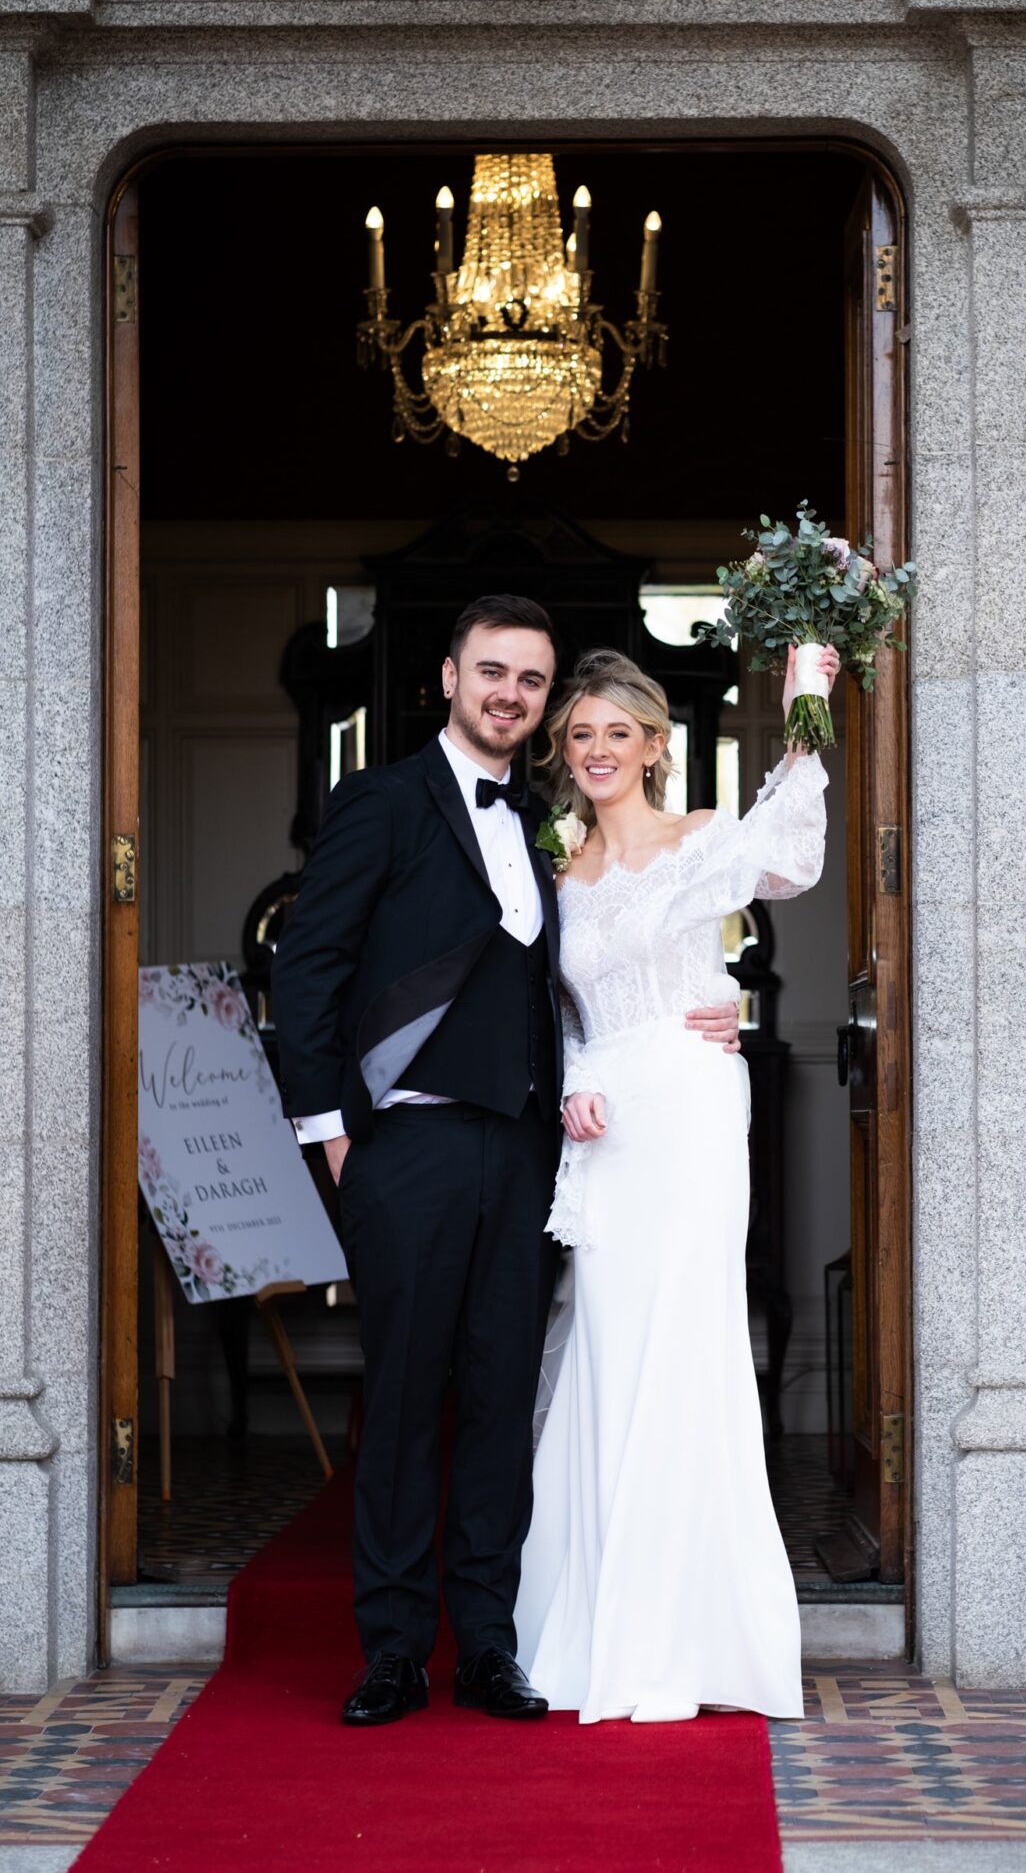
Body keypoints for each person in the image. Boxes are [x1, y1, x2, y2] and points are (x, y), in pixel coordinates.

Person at [271, 594, 742, 1728]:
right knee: (400, 1399)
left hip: (531, 1151)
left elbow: (586, 977)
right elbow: (309, 969)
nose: (511, 696)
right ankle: (391, 1650)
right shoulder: (378, 803)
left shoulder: (551, 827)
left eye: (531, 682)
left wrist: (712, 1006)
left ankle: (488, 1644)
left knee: (497, 1398)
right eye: (493, 673)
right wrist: (328, 1133)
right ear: (446, 678)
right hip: (410, 1146)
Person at [514, 642, 837, 1724]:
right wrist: (569, 1087)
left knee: (683, 1341)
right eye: (581, 734)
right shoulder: (557, 874)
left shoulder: (700, 839)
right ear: (565, 754)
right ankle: (593, 1624)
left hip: (691, 1105)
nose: (598, 749)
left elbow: (791, 855)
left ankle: (690, 1640)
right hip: (603, 1119)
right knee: (607, 1341)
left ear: (656, 745)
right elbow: (552, 1014)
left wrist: (804, 698)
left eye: (619, 731)